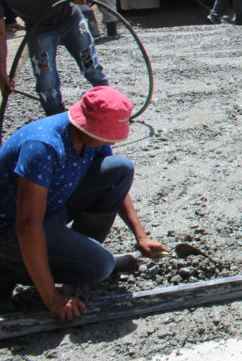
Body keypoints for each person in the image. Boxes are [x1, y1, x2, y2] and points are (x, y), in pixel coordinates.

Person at [0, 87, 167, 321]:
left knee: (119, 169)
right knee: (101, 266)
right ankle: (7, 269)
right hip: (10, 227)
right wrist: (52, 298)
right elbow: (26, 227)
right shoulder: (43, 146)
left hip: (51, 207)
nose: (109, 140)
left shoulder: (90, 137)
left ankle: (77, 256)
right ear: (86, 125)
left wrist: (141, 237)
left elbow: (114, 183)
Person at [0, 0, 110, 116]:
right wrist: (2, 71)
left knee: (90, 66)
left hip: (70, 18)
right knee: (45, 80)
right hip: (39, 29)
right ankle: (55, 117)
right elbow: (0, 33)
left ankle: (110, 107)